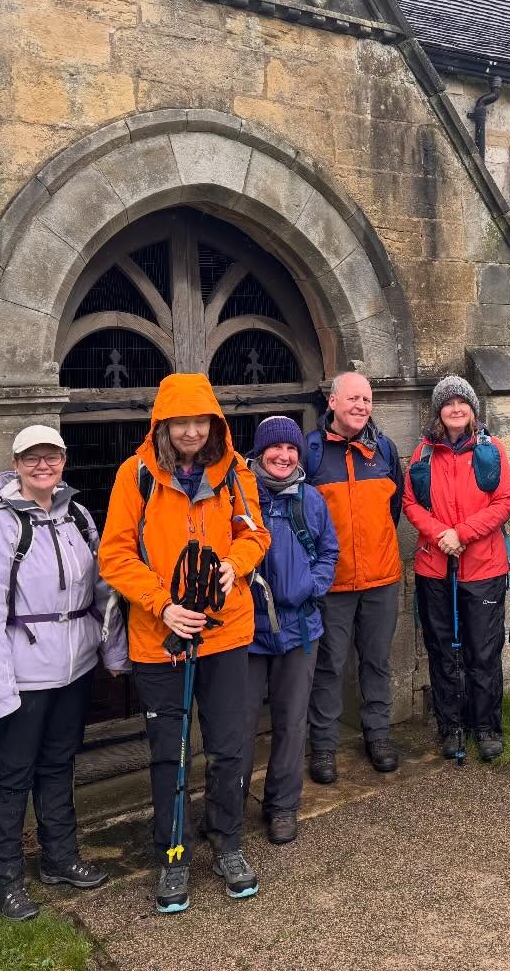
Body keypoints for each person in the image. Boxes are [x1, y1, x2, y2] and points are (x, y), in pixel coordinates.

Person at [97, 374, 269, 914]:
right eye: (181, 422)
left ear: (215, 424)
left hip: (225, 631)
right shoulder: (136, 475)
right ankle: (173, 853)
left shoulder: (236, 472)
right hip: (161, 639)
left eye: (201, 421)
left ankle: (227, 843)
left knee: (228, 747)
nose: (192, 432)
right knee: (168, 753)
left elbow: (255, 534)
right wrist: (162, 604)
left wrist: (235, 566)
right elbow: (115, 555)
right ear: (163, 425)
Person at [0, 425, 130, 921]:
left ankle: (59, 857)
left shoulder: (78, 516)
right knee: (12, 774)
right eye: (32, 458)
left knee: (59, 764)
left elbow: (103, 592)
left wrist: (113, 654)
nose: (43, 466)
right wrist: (0, 691)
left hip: (75, 668)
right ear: (15, 464)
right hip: (23, 674)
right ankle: (3, 874)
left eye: (52, 456)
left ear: (63, 461)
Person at [402, 376, 510, 761]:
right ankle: (451, 725)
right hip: (435, 568)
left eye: (461, 403)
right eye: (448, 403)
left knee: (483, 652)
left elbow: (504, 502)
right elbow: (410, 503)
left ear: (472, 409)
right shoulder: (422, 454)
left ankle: (485, 726)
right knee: (442, 651)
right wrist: (441, 535)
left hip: (483, 568)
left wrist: (462, 534)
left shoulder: (492, 450)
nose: (455, 409)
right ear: (439, 411)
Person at [304, 372, 405, 782]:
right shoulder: (311, 452)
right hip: (333, 583)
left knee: (377, 662)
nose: (361, 406)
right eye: (353, 398)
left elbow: (394, 508)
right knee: (329, 665)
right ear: (332, 402)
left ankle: (377, 735)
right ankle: (324, 746)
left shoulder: (384, 449)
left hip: (381, 578)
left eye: (367, 399)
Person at [244, 417, 339, 844]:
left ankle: (282, 806)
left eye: (291, 449)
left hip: (300, 628)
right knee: (237, 727)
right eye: (275, 448)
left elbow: (329, 550)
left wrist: (311, 586)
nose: (283, 457)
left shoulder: (311, 499)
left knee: (291, 722)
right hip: (247, 632)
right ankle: (227, 807)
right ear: (260, 452)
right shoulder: (240, 495)